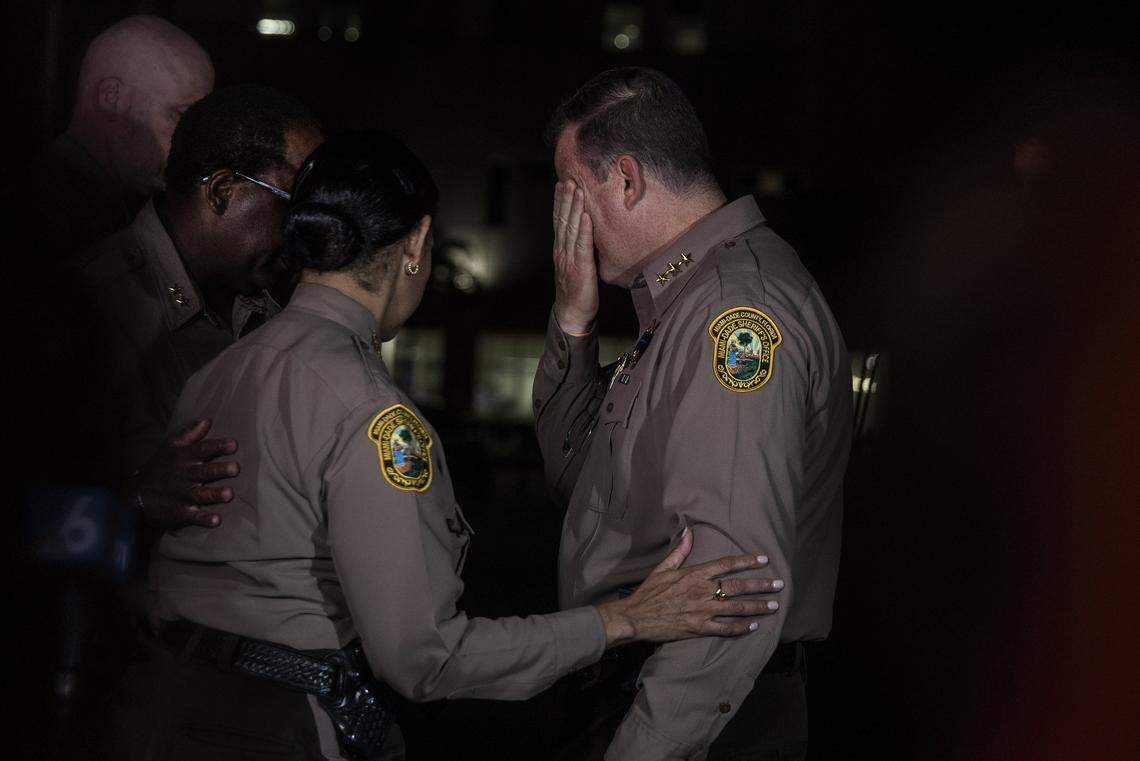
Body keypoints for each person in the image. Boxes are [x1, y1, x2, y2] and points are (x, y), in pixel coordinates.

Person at [110, 130, 786, 760]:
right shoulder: (371, 412)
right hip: (267, 727)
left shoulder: (215, 370)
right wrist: (623, 619)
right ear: (416, 244)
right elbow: (427, 657)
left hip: (152, 705)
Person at [533, 67, 852, 760]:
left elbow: (733, 588)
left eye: (571, 194)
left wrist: (640, 748)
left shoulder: (736, 314)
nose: (567, 220)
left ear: (625, 180)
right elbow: (572, 481)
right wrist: (573, 320)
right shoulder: (681, 306)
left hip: (690, 716)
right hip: (640, 691)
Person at [75, 83, 324, 527]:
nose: (304, 231)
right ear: (223, 191)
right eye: (295, 205)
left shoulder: (271, 308)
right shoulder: (94, 303)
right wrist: (136, 500)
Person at [37, 14, 214, 263]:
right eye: (180, 116)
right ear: (112, 97)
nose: (194, 144)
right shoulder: (43, 220)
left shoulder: (97, 210)